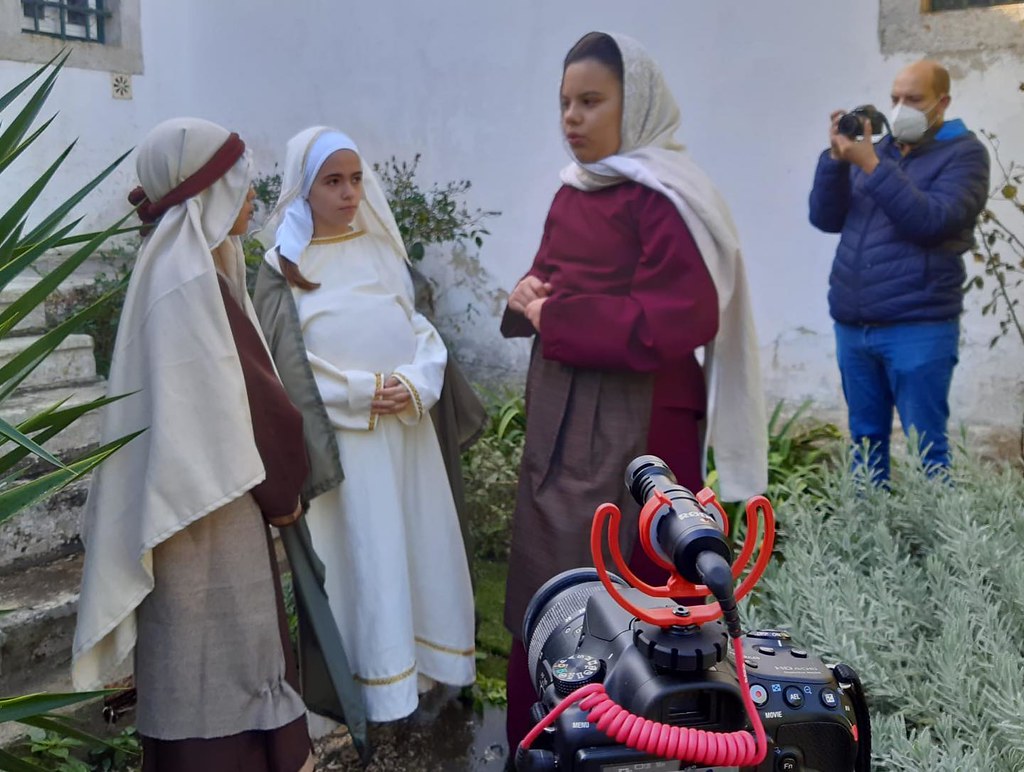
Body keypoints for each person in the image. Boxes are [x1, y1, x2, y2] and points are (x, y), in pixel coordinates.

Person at [500, 31, 767, 751]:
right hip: (563, 410)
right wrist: (529, 291)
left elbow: (681, 316)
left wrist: (557, 317)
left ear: (636, 104)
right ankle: (547, 732)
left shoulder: (665, 197)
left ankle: (631, 739)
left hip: (641, 420)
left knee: (630, 575)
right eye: (564, 103)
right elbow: (553, 274)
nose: (572, 117)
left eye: (591, 101)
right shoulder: (573, 188)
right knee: (550, 568)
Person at [72, 118, 314, 772]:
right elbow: (263, 412)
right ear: (204, 191)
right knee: (225, 672)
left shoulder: (168, 278)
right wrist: (287, 493)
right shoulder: (193, 286)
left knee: (189, 664)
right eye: (240, 182)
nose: (253, 196)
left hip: (183, 510)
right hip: (213, 517)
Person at [252, 127, 478, 724]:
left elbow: (424, 332)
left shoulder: (382, 251)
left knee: (419, 551)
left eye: (355, 178)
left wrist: (416, 383)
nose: (350, 192)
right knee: (368, 560)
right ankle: (373, 689)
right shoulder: (282, 269)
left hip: (408, 436)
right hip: (349, 450)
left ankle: (430, 671)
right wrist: (360, 394)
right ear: (304, 188)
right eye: (333, 181)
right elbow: (283, 367)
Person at [809, 60, 990, 483]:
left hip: (919, 325)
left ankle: (943, 548)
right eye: (895, 99)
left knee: (928, 449)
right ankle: (871, 543)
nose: (900, 109)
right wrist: (836, 160)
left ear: (942, 102)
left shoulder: (965, 154)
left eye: (914, 100)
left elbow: (932, 221)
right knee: (865, 445)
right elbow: (825, 217)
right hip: (855, 324)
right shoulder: (882, 150)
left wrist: (871, 165)